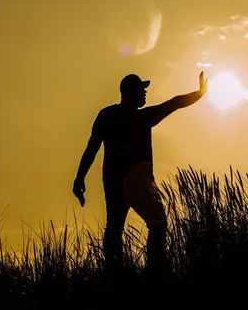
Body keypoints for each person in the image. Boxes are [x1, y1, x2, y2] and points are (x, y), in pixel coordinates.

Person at [72, 71, 208, 270]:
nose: (145, 93)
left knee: (114, 228)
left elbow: (92, 148)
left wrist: (79, 178)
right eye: (141, 90)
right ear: (129, 92)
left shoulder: (106, 115)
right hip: (136, 180)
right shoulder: (144, 117)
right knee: (158, 224)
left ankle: (113, 273)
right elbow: (175, 103)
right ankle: (155, 270)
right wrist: (200, 92)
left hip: (112, 179)